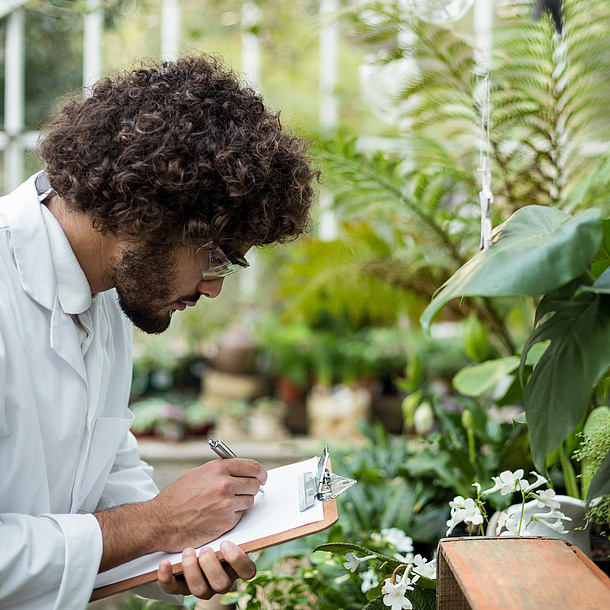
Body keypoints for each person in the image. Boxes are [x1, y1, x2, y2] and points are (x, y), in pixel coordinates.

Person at [0, 55, 318, 609]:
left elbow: (105, 467)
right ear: (146, 212)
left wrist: (182, 548)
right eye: (216, 257)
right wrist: (155, 525)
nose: (214, 288)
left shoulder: (104, 292)